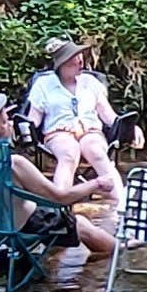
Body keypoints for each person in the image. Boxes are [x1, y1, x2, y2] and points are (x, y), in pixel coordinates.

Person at [0, 95, 116, 276]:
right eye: (4, 122)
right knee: (78, 223)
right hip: (16, 228)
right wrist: (96, 183)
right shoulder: (12, 163)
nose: (11, 123)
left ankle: (48, 260)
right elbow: (60, 198)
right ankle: (120, 249)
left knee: (54, 218)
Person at [25, 37, 133, 214]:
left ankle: (121, 206)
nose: (80, 61)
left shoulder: (91, 83)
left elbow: (108, 115)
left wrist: (130, 127)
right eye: (74, 58)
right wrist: (21, 127)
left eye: (80, 56)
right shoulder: (43, 85)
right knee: (69, 153)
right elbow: (33, 119)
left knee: (96, 152)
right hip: (59, 132)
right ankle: (59, 206)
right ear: (62, 64)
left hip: (90, 130)